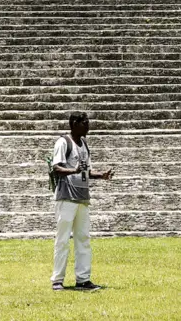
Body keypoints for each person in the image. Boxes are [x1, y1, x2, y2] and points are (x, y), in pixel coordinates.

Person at [50, 111, 114, 291]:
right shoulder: (64, 142)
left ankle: (83, 279)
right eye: (85, 123)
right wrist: (73, 171)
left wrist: (101, 175)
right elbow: (56, 167)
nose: (88, 126)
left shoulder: (84, 144)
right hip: (66, 197)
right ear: (74, 124)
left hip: (82, 198)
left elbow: (86, 171)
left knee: (83, 239)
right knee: (62, 240)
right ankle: (57, 280)